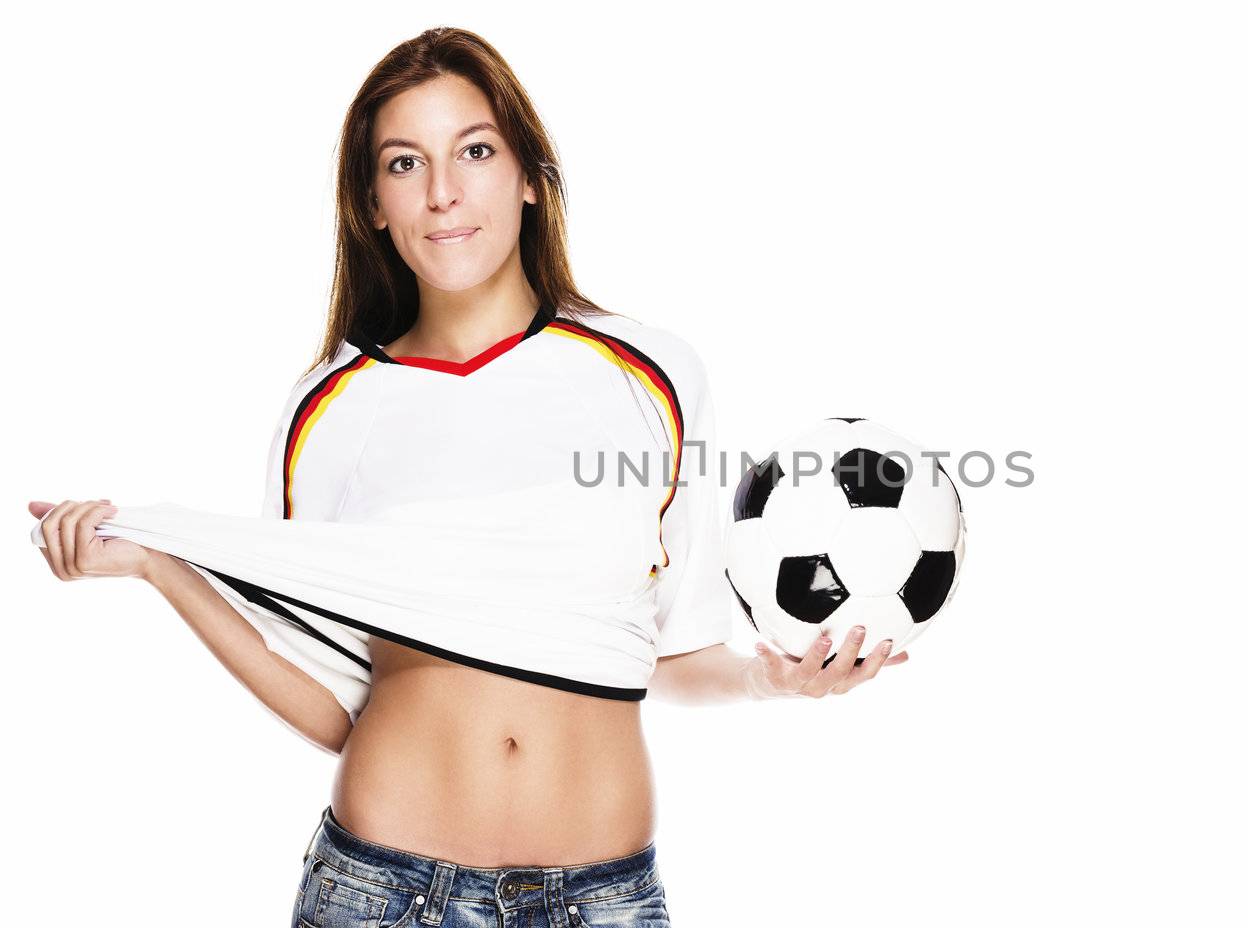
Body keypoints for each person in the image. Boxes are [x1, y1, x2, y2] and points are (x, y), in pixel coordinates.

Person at [27, 27, 908, 928]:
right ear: (372, 201)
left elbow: (673, 656)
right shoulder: (329, 410)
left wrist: (778, 680)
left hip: (603, 899)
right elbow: (335, 704)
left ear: (529, 174)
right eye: (404, 164)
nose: (443, 192)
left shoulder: (652, 375)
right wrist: (160, 566)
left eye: (475, 151)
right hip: (382, 893)